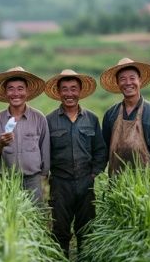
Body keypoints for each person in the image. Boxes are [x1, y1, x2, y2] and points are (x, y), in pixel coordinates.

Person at [45, 69, 107, 258]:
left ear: (80, 91)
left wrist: (94, 174)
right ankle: (61, 257)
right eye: (65, 89)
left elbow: (100, 150)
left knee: (86, 228)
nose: (69, 94)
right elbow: (44, 152)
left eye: (73, 89)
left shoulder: (92, 119)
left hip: (85, 182)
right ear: (58, 92)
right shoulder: (49, 120)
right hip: (60, 184)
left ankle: (85, 257)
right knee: (60, 230)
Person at [0, 66, 49, 204]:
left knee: (35, 220)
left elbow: (45, 152)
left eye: (20, 88)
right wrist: (0, 144)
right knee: (7, 221)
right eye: (11, 88)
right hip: (5, 181)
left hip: (33, 181)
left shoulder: (39, 118)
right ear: (5, 92)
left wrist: (43, 180)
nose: (16, 93)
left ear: (27, 91)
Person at [100, 58, 150, 176]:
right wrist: (94, 173)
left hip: (142, 187)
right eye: (123, 79)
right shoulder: (110, 114)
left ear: (139, 81)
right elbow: (103, 150)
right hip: (115, 184)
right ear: (118, 83)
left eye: (132, 78)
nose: (128, 83)